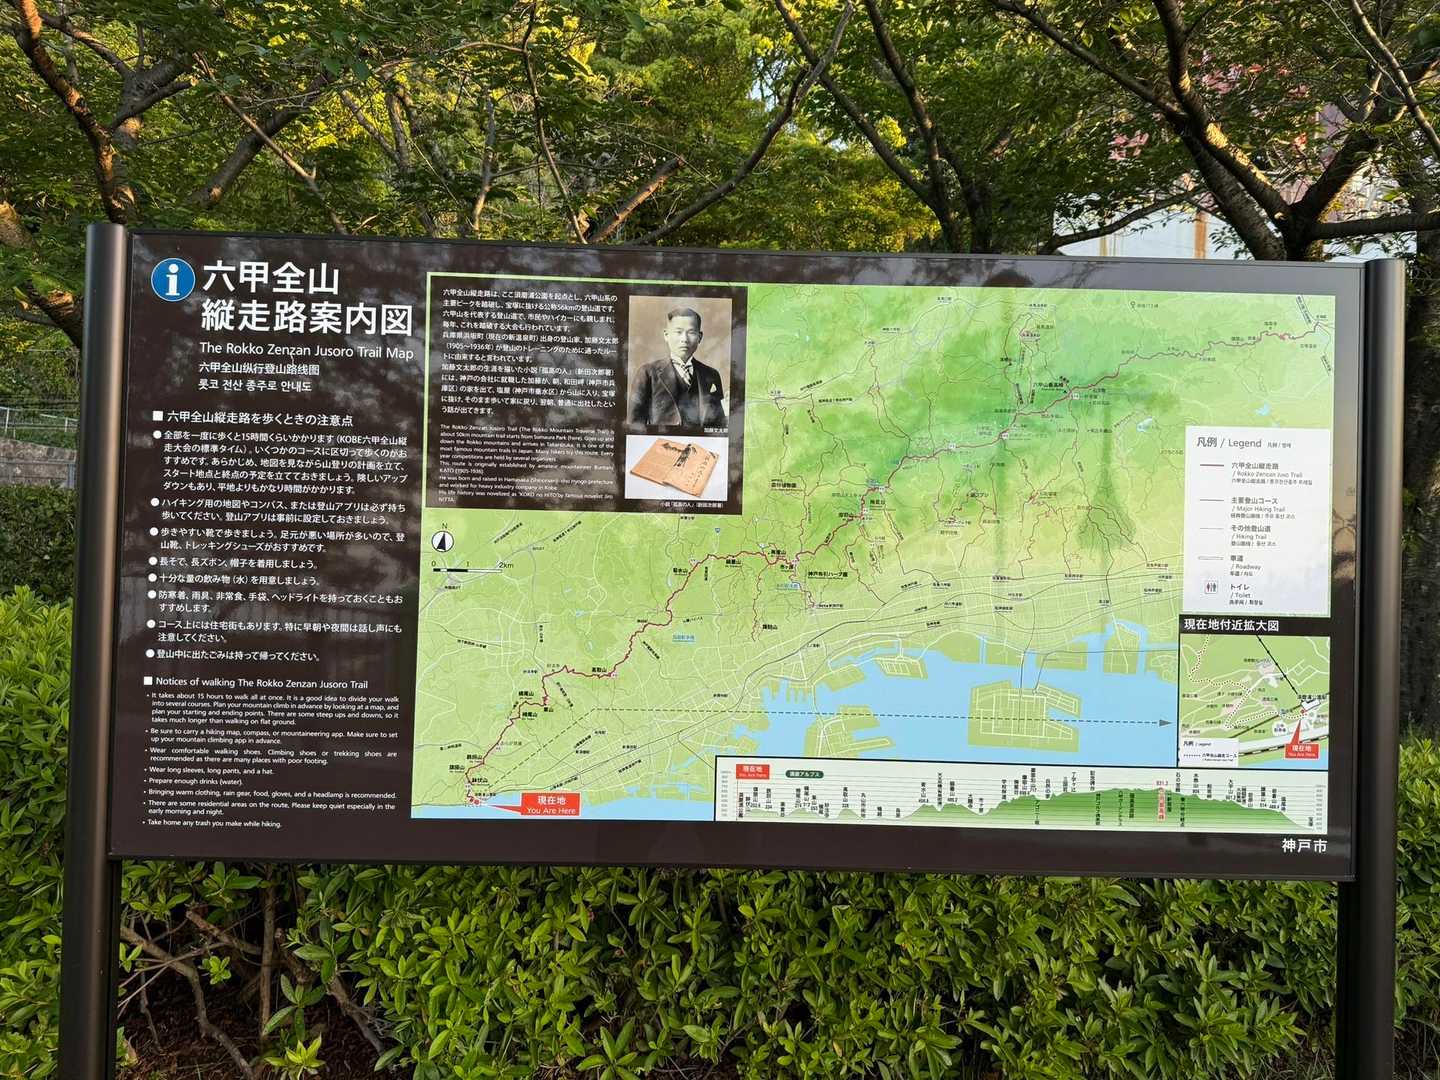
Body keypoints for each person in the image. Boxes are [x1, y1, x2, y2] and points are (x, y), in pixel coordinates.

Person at [627, 307, 726, 429]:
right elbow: (634, 426)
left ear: (700, 337)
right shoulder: (648, 373)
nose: (684, 339)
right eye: (678, 332)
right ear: (666, 335)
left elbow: (719, 425)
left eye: (691, 332)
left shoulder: (711, 375)